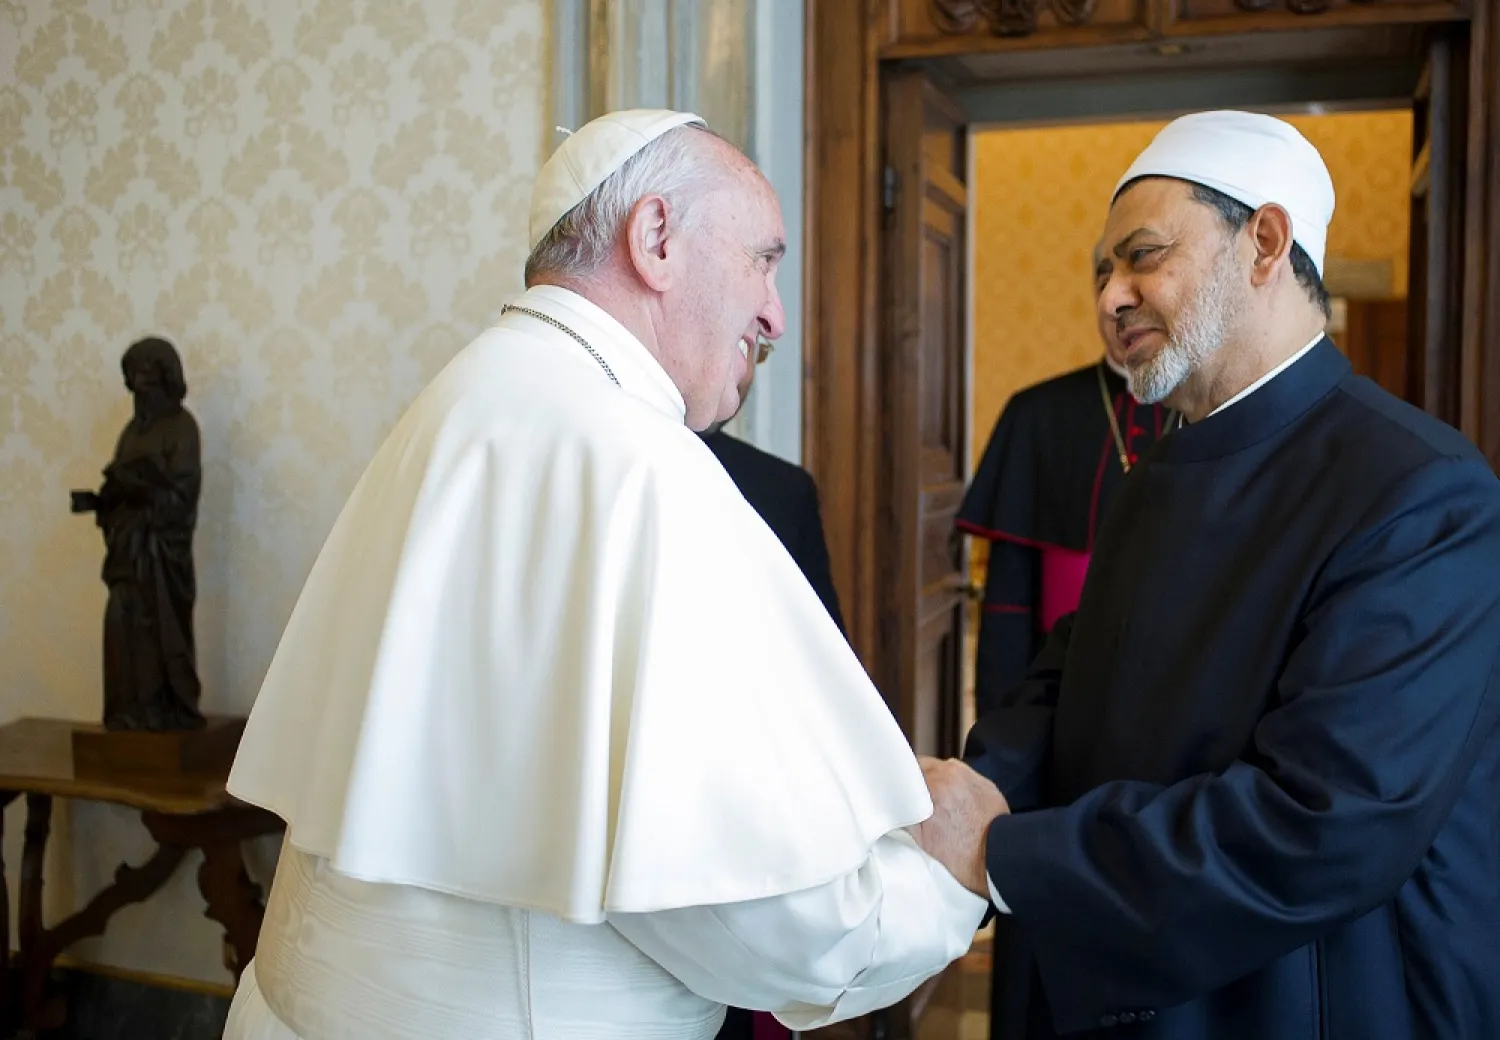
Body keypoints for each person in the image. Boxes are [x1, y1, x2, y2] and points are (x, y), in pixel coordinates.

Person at [220, 109, 986, 1040]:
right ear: (656, 237)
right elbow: (763, 919)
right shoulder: (638, 459)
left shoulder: (464, 396)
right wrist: (944, 878)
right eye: (763, 260)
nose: (776, 314)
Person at [915, 110, 1500, 1039]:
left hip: (1298, 992)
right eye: (1104, 271)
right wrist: (967, 791)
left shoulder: (1422, 491)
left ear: (1264, 242)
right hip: (1133, 956)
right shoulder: (1168, 466)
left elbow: (1326, 823)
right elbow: (1076, 679)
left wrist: (1003, 852)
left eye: (1143, 258)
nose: (1111, 297)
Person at [958, 275, 1173, 717]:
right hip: (1058, 693)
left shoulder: (1209, 413)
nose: (1119, 304)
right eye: (1104, 283)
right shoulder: (1036, 414)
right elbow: (1006, 605)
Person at [702, 341, 845, 639]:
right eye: (737, 341)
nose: (741, 369)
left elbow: (822, 653)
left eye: (749, 347)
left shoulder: (787, 492)